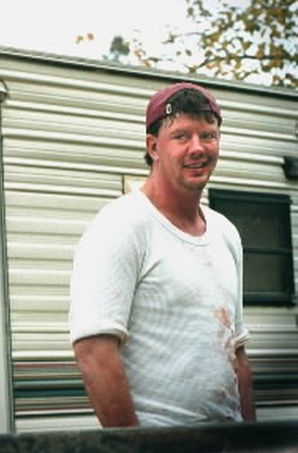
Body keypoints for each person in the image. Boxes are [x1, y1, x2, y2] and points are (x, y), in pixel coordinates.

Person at [68, 82, 256, 427]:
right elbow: (93, 352)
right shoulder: (121, 225)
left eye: (208, 135)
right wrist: (137, 452)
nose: (198, 148)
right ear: (153, 146)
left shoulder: (225, 233)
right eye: (182, 136)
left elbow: (237, 353)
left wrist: (254, 443)